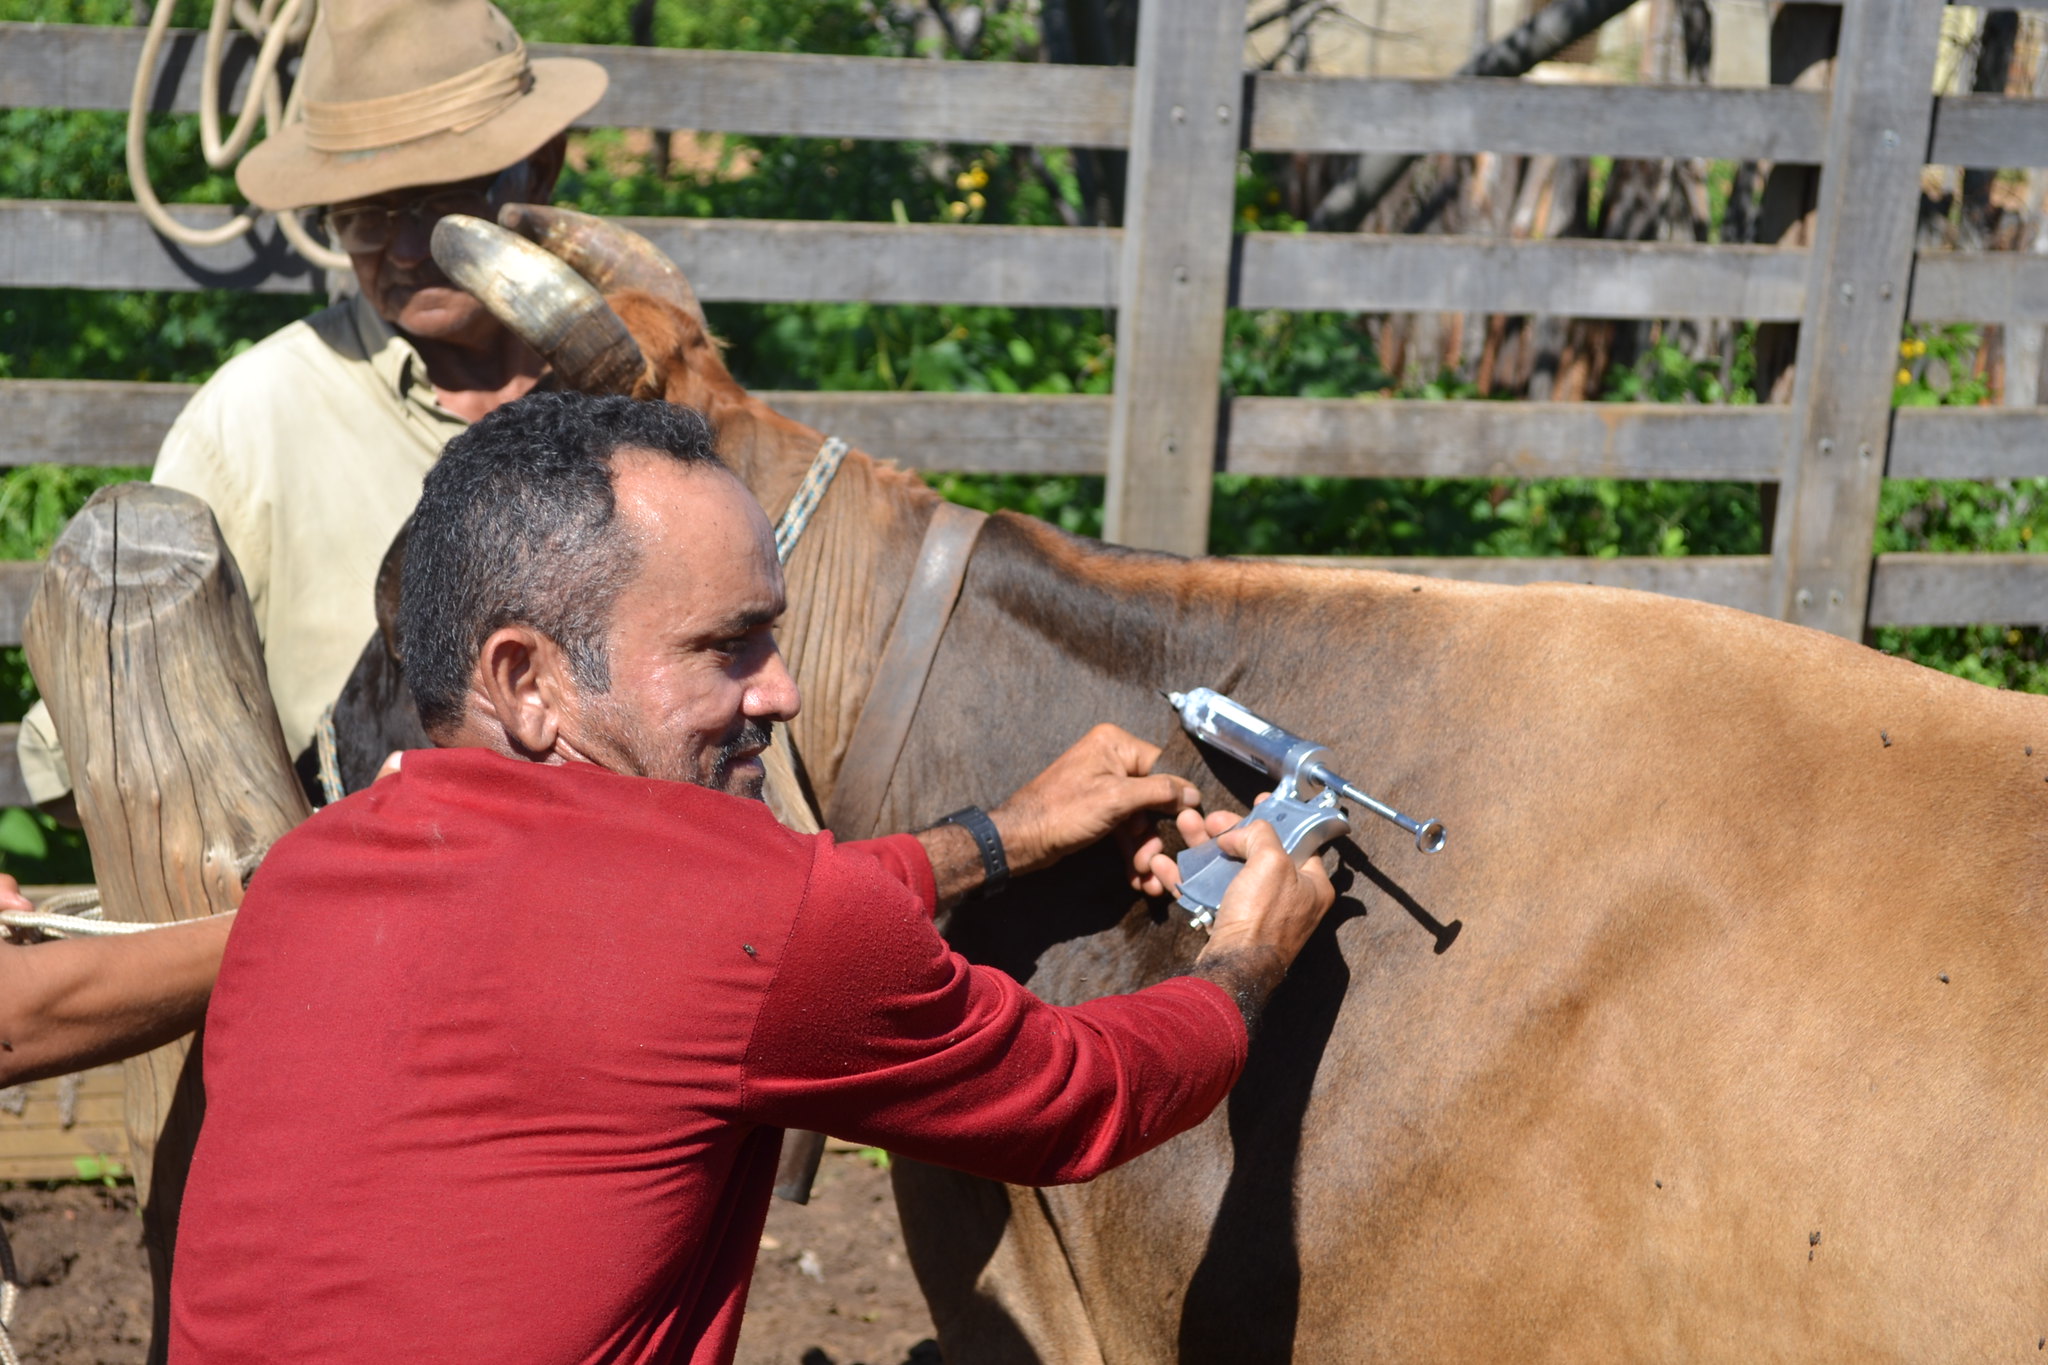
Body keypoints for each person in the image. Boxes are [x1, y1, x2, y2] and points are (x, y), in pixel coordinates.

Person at [167, 393, 1337, 1364]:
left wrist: (1003, 834)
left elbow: (721, 938)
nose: (778, 691)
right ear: (527, 681)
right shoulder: (749, 924)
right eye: (727, 645)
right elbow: (1076, 1096)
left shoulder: (306, 876)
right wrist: (1248, 953)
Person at [16, 0, 606, 809]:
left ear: (537, 170)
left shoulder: (626, 397)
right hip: (359, 883)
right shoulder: (255, 421)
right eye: (363, 215)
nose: (403, 249)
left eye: (441, 205)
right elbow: (114, 718)